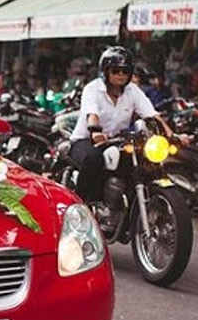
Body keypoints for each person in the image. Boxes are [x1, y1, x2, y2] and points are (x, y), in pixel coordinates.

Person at [68, 45, 172, 205]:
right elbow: (92, 114)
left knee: (140, 160)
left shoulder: (133, 91)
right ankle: (82, 205)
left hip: (116, 142)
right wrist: (95, 131)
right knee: (94, 159)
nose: (121, 75)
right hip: (86, 141)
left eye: (125, 71)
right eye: (116, 70)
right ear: (106, 71)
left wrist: (171, 134)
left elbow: (151, 114)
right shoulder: (92, 89)